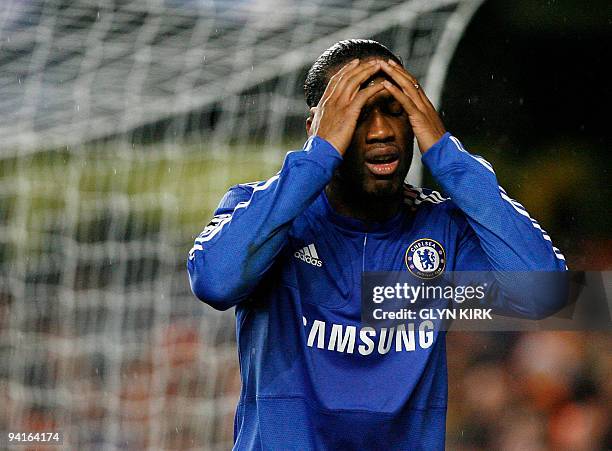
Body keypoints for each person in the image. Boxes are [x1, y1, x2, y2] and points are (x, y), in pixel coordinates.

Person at [187, 39, 567, 449]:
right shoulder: (265, 214)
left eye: (396, 110)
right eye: (358, 113)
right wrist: (317, 158)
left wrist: (446, 155)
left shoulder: (442, 227)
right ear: (318, 126)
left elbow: (547, 295)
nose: (382, 131)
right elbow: (215, 282)